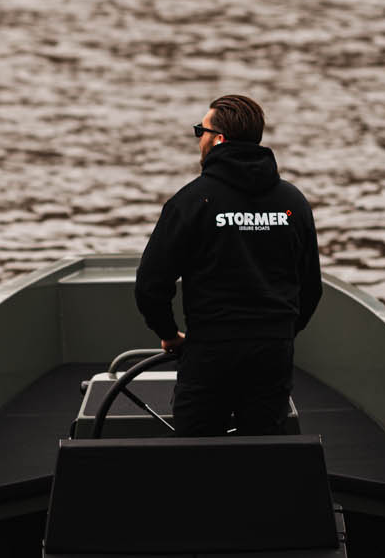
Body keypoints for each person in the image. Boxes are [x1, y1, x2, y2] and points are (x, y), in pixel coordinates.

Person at [135, 94, 322, 437]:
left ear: (218, 139)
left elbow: (151, 284)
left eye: (200, 131)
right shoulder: (293, 202)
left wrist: (169, 334)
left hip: (210, 350)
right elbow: (311, 287)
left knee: (199, 452)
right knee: (264, 450)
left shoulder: (192, 201)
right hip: (272, 352)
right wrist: (280, 333)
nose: (199, 139)